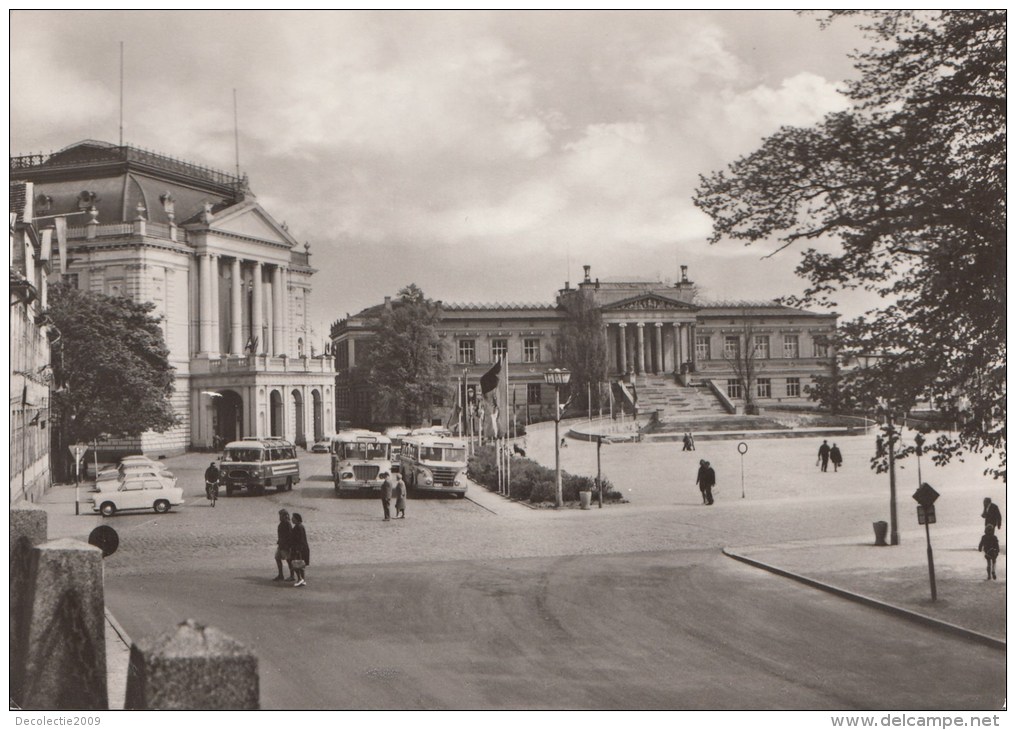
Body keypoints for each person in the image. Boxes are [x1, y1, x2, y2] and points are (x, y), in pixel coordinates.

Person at [274, 509, 295, 582]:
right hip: (281, 545)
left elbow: (290, 535)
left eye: (281, 515)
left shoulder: (287, 524)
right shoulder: (282, 523)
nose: (280, 517)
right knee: (277, 558)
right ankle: (281, 575)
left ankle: (292, 576)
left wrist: (288, 546)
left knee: (289, 560)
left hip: (285, 546)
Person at [290, 513, 310, 587]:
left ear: (296, 519)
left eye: (293, 518)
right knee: (301, 565)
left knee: (295, 564)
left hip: (299, 549)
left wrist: (298, 550)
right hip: (303, 548)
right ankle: (303, 580)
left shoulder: (298, 527)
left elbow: (299, 539)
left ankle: (299, 579)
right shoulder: (300, 526)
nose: (292, 519)